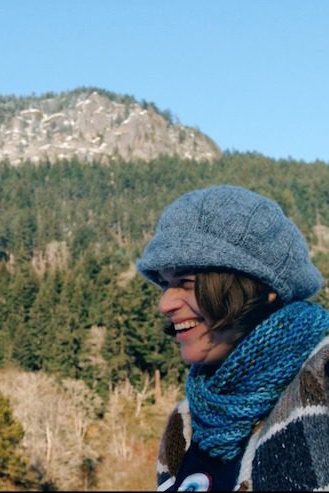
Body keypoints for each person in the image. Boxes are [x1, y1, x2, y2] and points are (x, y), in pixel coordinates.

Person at [136, 184, 329, 491]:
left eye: (186, 282)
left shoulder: (321, 380)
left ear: (263, 289)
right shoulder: (185, 423)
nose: (165, 304)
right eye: (164, 284)